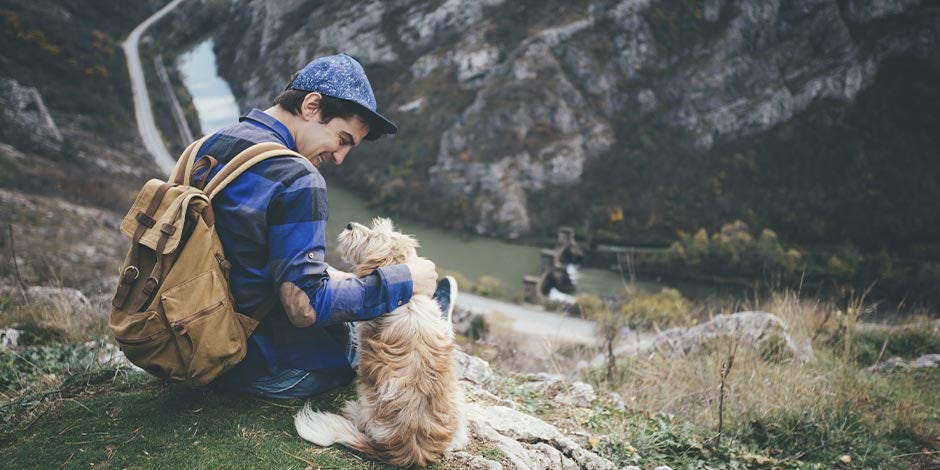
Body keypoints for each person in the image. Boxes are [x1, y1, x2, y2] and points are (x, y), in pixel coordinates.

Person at [191, 53, 457, 399]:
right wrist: (403, 281)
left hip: (197, 346)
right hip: (265, 369)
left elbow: (246, 256)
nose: (340, 157)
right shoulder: (298, 177)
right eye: (343, 139)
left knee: (343, 286)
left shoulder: (212, 145)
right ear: (312, 106)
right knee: (381, 337)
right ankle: (433, 321)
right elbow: (305, 307)